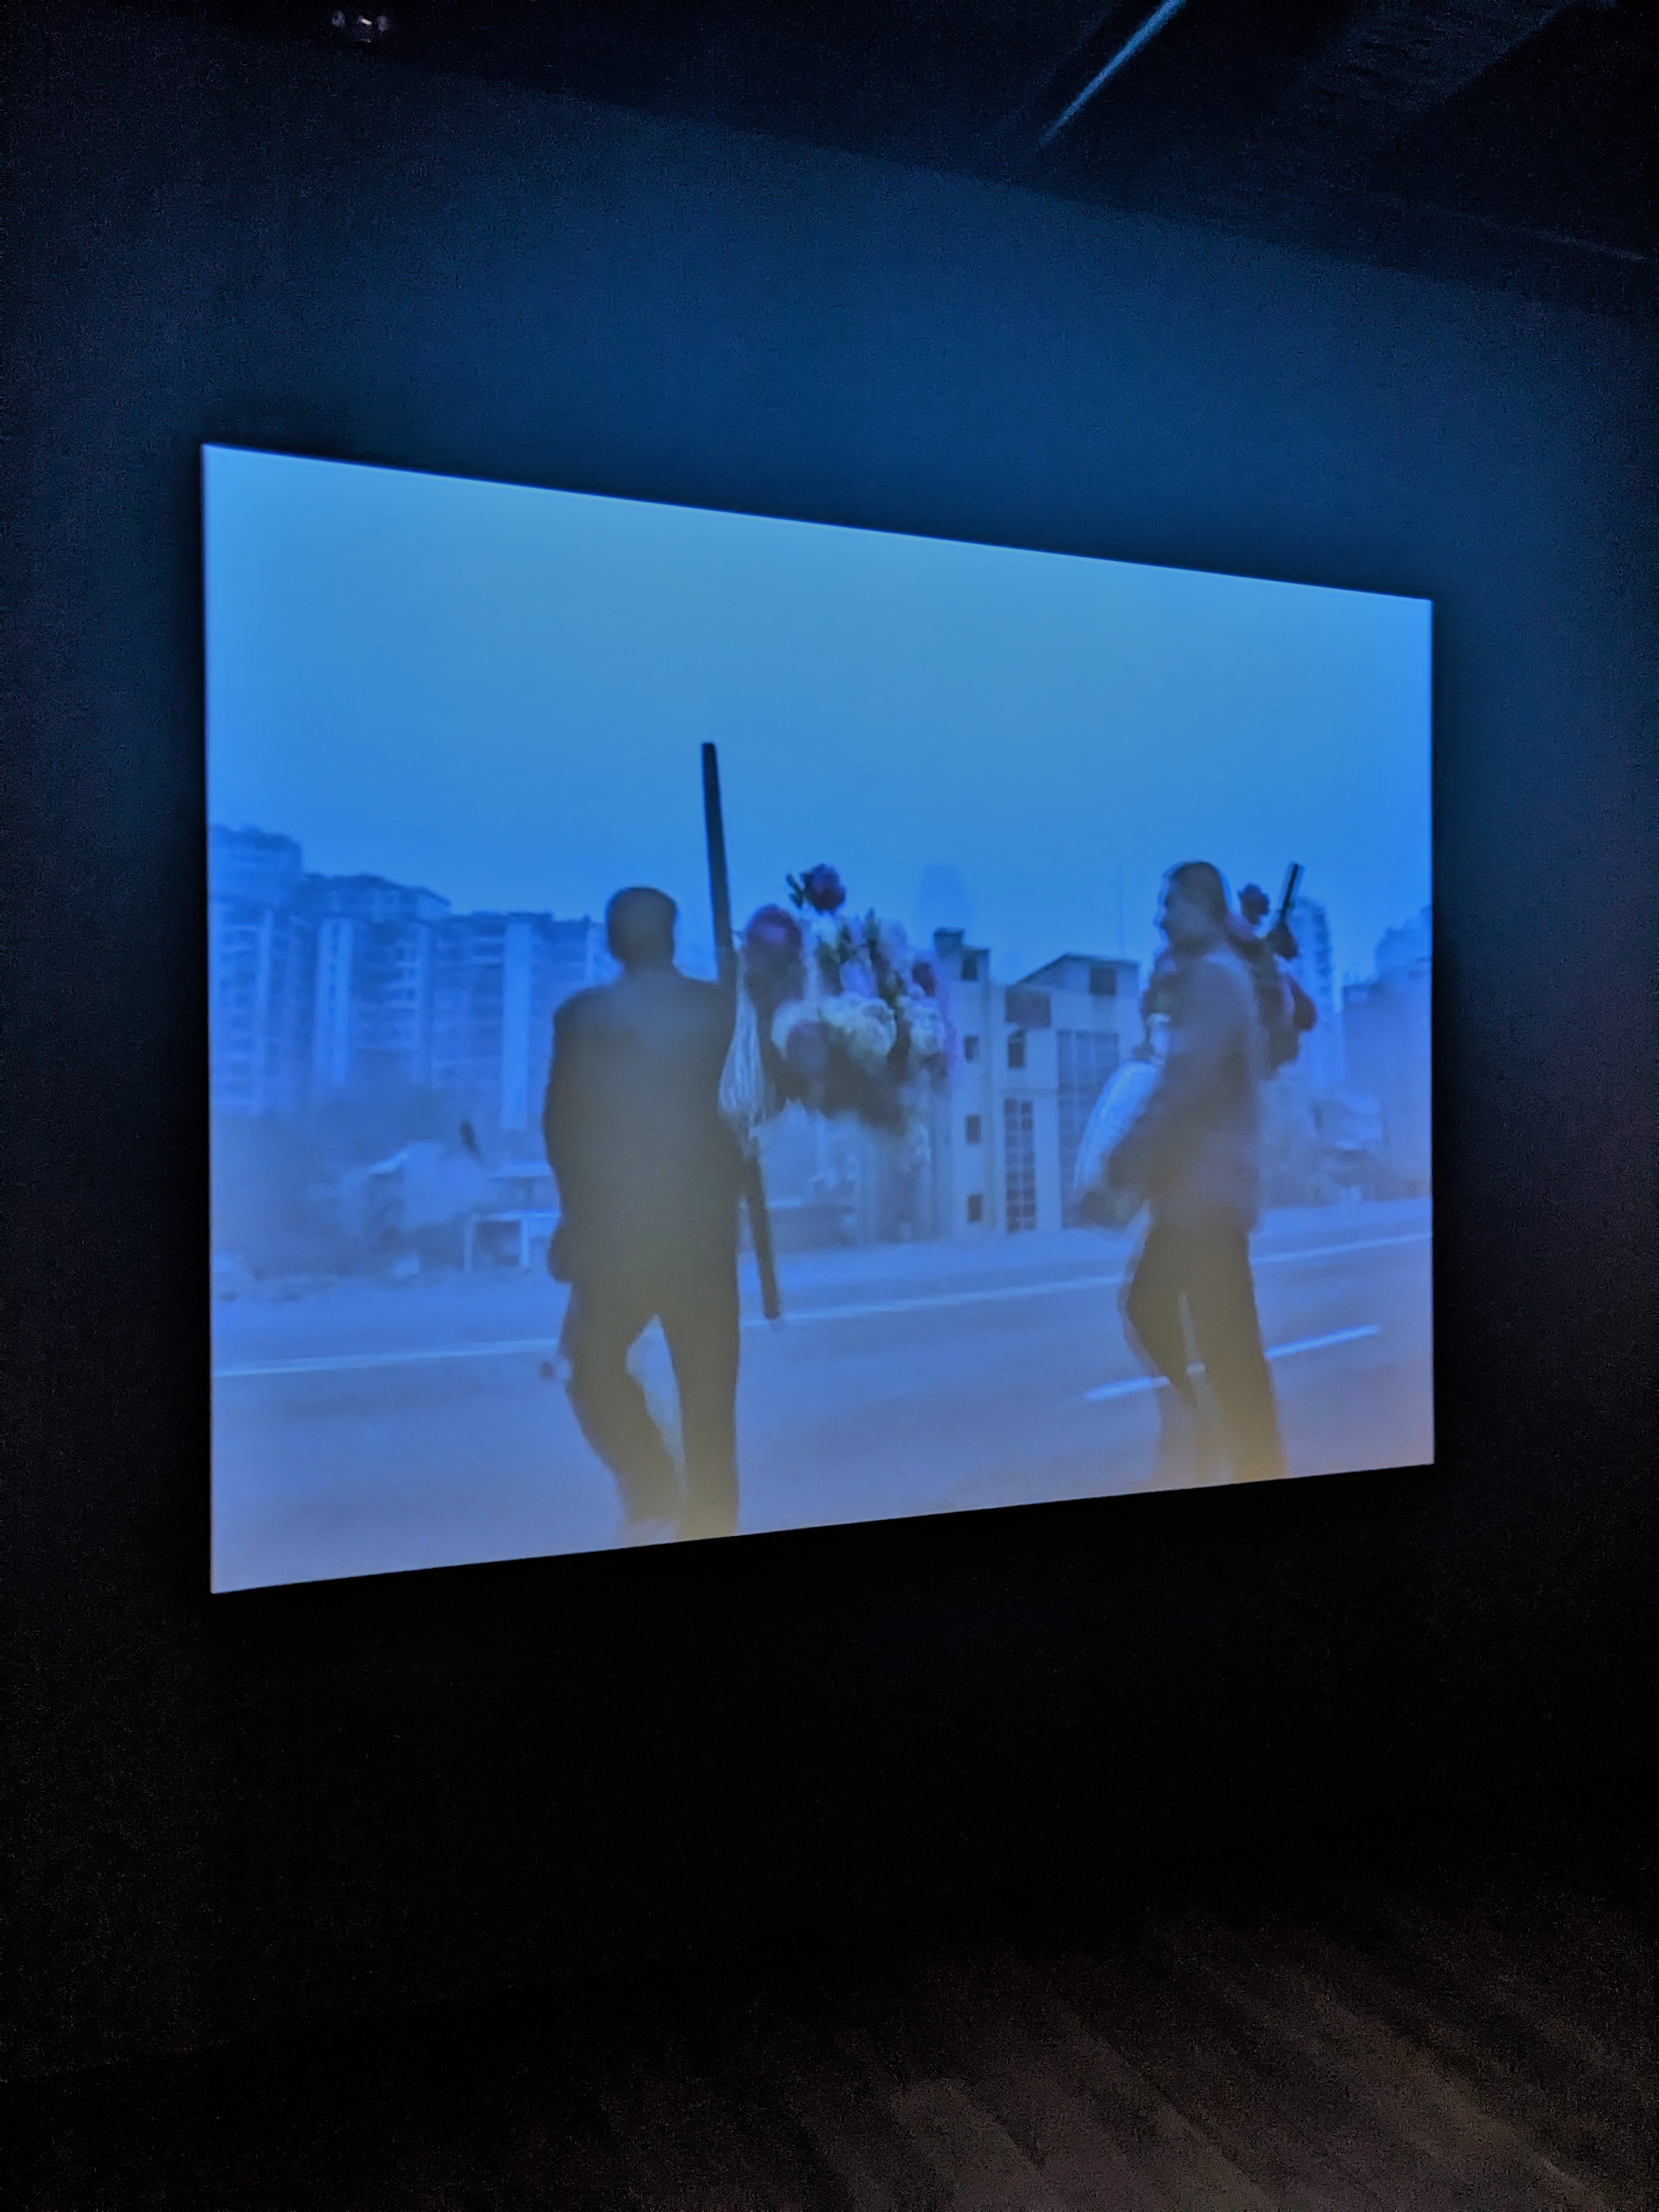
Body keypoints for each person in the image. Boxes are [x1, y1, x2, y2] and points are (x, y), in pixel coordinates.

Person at [543, 887, 743, 1543]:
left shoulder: (585, 1017)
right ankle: (691, 1513)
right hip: (689, 1234)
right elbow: (749, 1113)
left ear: (611, 940)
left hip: (626, 1234)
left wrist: (577, 1216)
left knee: (594, 1369)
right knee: (706, 1401)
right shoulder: (717, 1009)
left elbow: (561, 1129)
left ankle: (655, 1487)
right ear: (672, 936)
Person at [1108, 861, 1286, 1483]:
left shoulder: (1214, 978)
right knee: (1202, 1334)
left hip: (1205, 1196)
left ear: (1202, 906)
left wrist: (1124, 1160)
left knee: (1209, 1339)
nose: (1160, 917)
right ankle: (1222, 1435)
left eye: (1170, 903)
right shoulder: (1213, 976)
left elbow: (1183, 1087)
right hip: (1201, 1194)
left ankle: (1236, 1448)